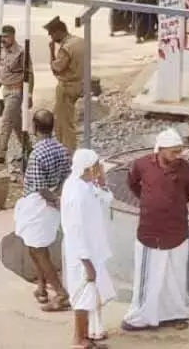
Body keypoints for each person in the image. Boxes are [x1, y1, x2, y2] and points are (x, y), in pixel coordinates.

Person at [122, 128, 189, 332]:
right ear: (161, 150)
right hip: (151, 233)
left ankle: (174, 315)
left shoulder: (187, 170)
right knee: (147, 278)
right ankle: (139, 317)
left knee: (174, 276)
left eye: (180, 151)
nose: (178, 156)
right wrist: (149, 200)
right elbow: (132, 184)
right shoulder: (141, 165)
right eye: (174, 152)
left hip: (176, 232)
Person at [14, 109, 71, 311]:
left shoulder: (37, 153)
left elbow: (40, 186)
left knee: (37, 250)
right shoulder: (62, 149)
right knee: (37, 247)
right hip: (51, 203)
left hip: (39, 203)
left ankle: (60, 292)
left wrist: (52, 200)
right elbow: (67, 177)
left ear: (35, 127)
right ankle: (41, 288)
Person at [60, 148, 116, 347]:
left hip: (92, 251)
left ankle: (88, 335)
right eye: (98, 167)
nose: (101, 170)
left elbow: (106, 199)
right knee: (82, 296)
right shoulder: (76, 194)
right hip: (82, 254)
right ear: (89, 168)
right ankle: (79, 338)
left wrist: (102, 183)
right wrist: (86, 262)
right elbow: (75, 230)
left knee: (90, 294)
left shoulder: (85, 185)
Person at [45, 17, 84, 153]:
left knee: (65, 123)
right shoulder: (80, 41)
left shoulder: (66, 48)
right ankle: (63, 148)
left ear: (59, 32)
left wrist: (51, 52)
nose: (51, 37)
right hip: (80, 83)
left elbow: (56, 68)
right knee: (60, 119)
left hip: (67, 87)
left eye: (52, 34)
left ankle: (68, 152)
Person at [0, 25, 34, 164]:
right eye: (2, 37)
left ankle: (0, 154)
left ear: (12, 36)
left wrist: (29, 94)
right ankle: (28, 148)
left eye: (6, 37)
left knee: (6, 122)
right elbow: (0, 72)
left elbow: (29, 74)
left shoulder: (21, 52)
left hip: (16, 91)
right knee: (16, 123)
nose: (3, 40)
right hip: (5, 90)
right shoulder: (1, 51)